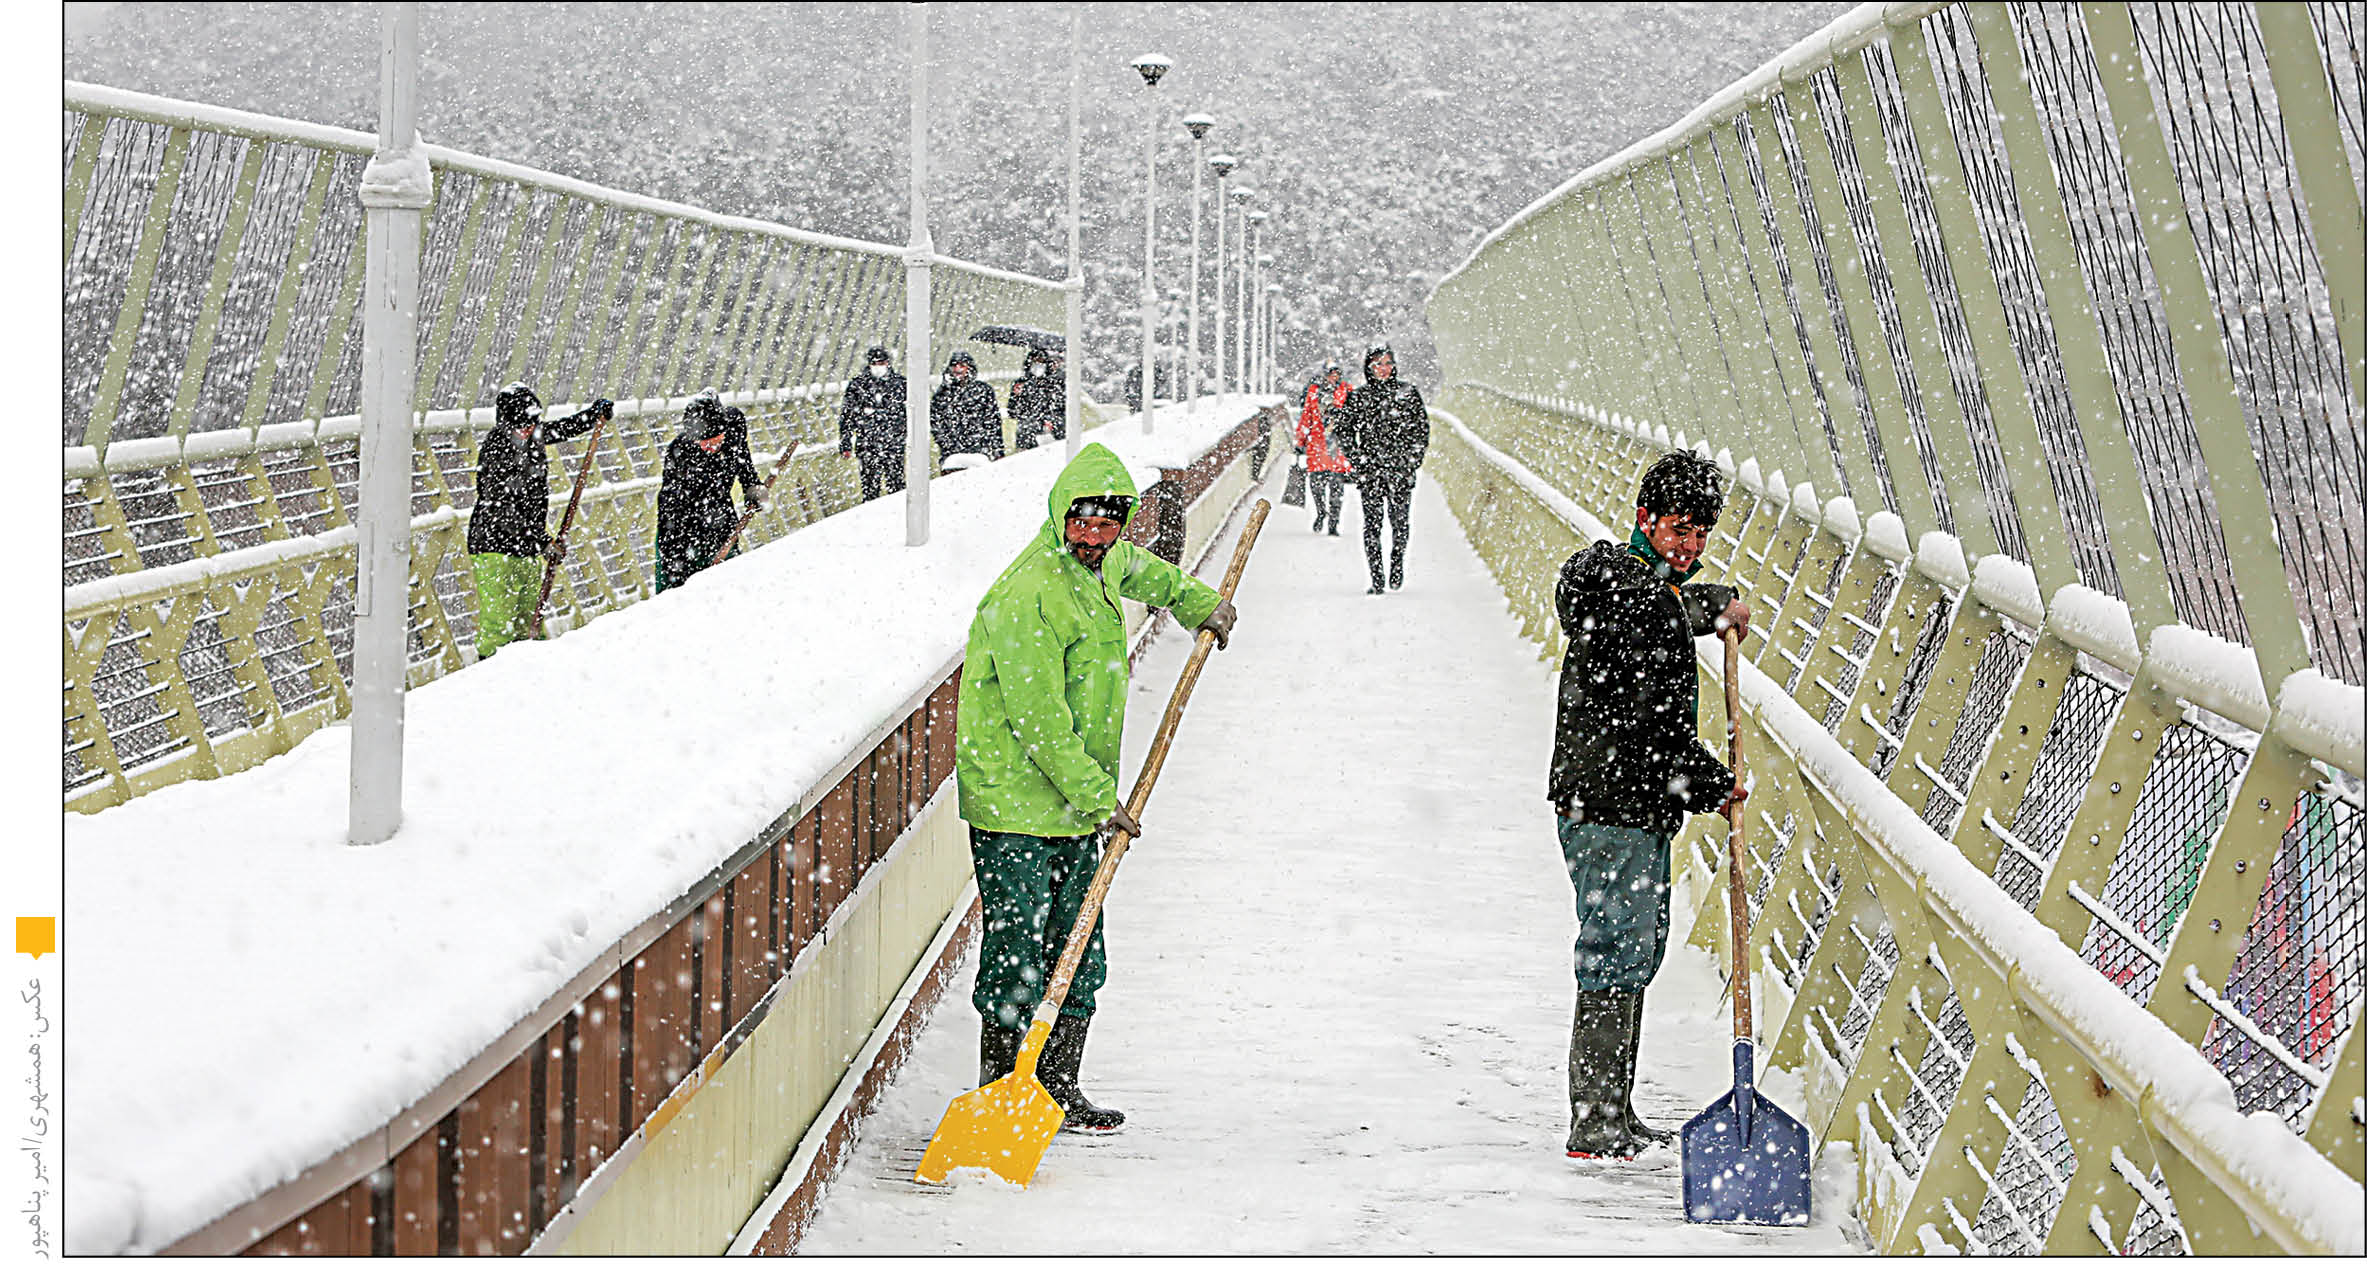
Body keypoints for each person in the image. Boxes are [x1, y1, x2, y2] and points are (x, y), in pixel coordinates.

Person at [954, 442, 1240, 1134]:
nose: (1093, 538)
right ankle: (1000, 1096)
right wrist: (1095, 795)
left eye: (1107, 525)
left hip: (1077, 803)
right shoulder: (1028, 595)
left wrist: (1200, 604)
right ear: (1060, 516)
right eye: (1081, 524)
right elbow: (1039, 719)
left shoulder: (1105, 561)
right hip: (1016, 805)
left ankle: (1056, 1089)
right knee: (1017, 956)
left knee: (1079, 947)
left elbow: (1148, 572)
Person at [1548, 449, 1751, 1160]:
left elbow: (1655, 607)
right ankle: (1595, 1121)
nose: (1689, 545)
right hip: (1616, 804)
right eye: (1677, 529)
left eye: (1700, 532)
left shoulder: (1626, 590)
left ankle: (1614, 1110)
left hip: (1607, 797)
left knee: (1633, 947)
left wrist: (1708, 604)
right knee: (1616, 950)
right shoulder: (1640, 603)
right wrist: (1714, 786)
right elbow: (1654, 728)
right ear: (1644, 518)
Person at [467, 381, 612, 659]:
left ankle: (530, 670)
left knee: (530, 623)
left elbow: (561, 429)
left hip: (526, 548)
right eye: (522, 426)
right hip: (494, 549)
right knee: (499, 626)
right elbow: (503, 509)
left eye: (533, 424)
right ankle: (491, 673)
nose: (529, 431)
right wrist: (544, 541)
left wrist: (592, 416)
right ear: (506, 424)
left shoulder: (531, 436)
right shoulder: (496, 451)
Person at [1332, 344, 1429, 594]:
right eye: (1377, 364)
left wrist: (1411, 461)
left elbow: (1421, 431)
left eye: (1387, 363)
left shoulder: (1408, 394)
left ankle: (1396, 565)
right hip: (1371, 472)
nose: (1383, 369)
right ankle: (1376, 578)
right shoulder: (1360, 397)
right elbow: (1344, 431)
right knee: (1372, 525)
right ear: (1369, 367)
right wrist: (1359, 461)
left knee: (1400, 524)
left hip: (1400, 471)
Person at [654, 394, 764, 592]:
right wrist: (675, 572)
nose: (709, 446)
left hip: (721, 520)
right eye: (702, 442)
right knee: (684, 593)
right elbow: (670, 509)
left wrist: (752, 487)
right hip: (682, 532)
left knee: (730, 584)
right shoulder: (680, 454)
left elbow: (743, 460)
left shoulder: (734, 430)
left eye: (714, 440)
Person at [838, 345, 908, 501]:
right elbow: (847, 416)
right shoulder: (858, 385)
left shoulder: (900, 384)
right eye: (874, 363)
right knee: (870, 487)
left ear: (888, 363)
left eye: (881, 363)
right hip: (868, 443)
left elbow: (908, 412)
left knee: (896, 484)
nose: (878, 367)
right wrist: (845, 443)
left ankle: (896, 509)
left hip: (893, 443)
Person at [1295, 360, 1353, 535]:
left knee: (1337, 487)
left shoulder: (1347, 390)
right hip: (1317, 445)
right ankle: (1321, 512)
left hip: (1336, 445)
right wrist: (1300, 441)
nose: (1333, 377)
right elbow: (1307, 417)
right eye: (1330, 374)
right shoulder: (1313, 391)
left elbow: (1354, 416)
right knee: (1316, 485)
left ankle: (1333, 523)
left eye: (1337, 374)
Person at [930, 349, 1004, 466]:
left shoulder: (983, 390)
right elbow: (936, 423)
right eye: (954, 365)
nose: (957, 369)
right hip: (952, 455)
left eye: (962, 365)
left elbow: (993, 422)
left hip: (980, 453)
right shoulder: (942, 394)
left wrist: (997, 450)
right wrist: (948, 445)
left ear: (969, 368)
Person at [1008, 345, 1064, 451]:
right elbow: (1012, 411)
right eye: (1035, 361)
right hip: (1026, 436)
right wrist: (1017, 397)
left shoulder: (1055, 384)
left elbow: (1061, 408)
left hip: (1051, 434)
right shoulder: (1021, 383)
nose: (1038, 365)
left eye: (1042, 362)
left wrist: (1050, 420)